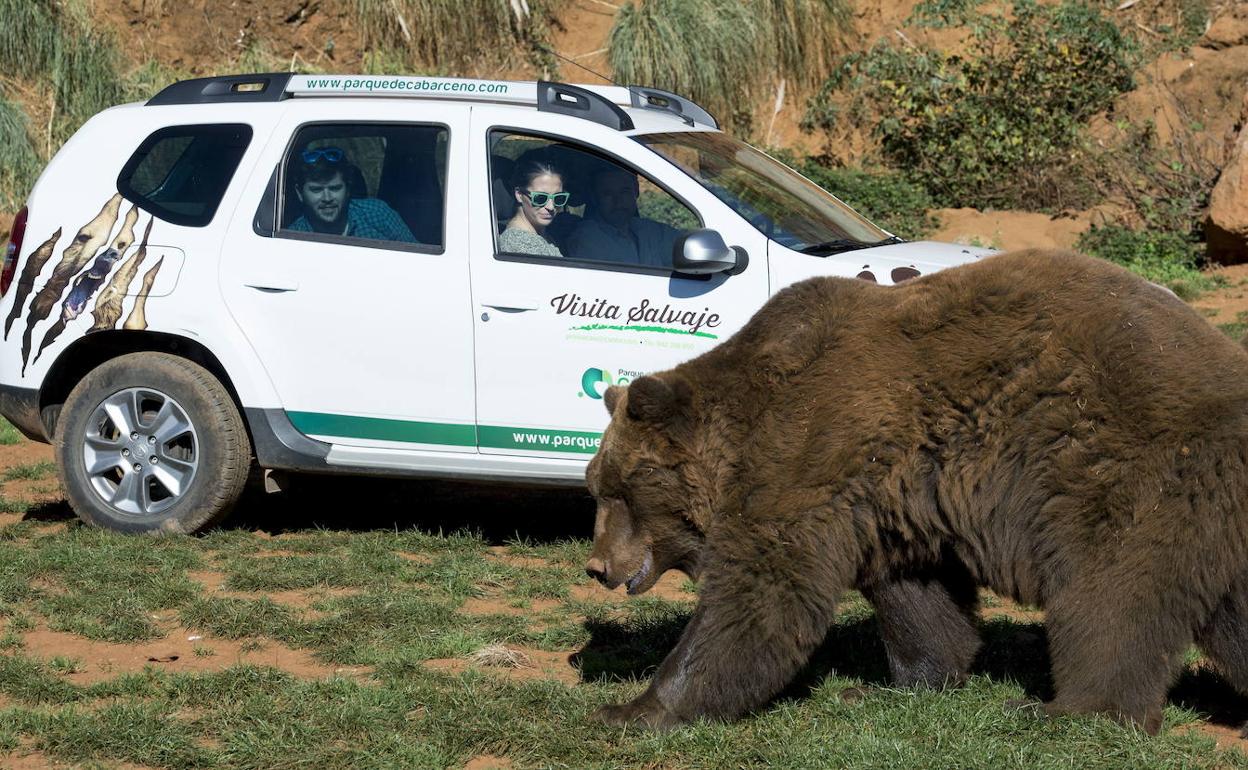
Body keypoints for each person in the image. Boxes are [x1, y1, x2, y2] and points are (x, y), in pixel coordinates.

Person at [286, 146, 416, 243]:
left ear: (348, 189)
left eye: (335, 188)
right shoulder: (293, 238)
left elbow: (419, 260)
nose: (327, 198)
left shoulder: (378, 213)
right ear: (300, 193)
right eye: (316, 190)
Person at [563, 165, 682, 267]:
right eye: (608, 194)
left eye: (624, 192)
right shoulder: (587, 239)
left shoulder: (651, 231)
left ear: (636, 192)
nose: (618, 200)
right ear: (596, 198)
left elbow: (687, 249)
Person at [499, 155, 566, 257]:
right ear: (519, 195)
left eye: (559, 198)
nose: (551, 207)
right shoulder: (520, 246)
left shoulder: (542, 235)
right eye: (540, 198)